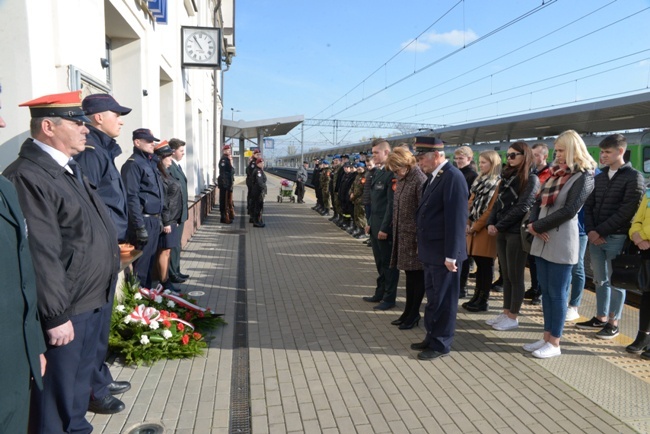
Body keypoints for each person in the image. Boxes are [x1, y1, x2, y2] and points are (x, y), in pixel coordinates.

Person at [4, 91, 119, 433]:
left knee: (77, 388)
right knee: (55, 398)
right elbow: (41, 252)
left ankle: (78, 427)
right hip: (66, 307)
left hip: (88, 297)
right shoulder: (29, 175)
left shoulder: (66, 169)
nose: (86, 130)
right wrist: (55, 315)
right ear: (49, 127)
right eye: (77, 122)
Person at [75, 93, 132, 414]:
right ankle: (93, 391)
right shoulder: (91, 154)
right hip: (98, 251)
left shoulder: (102, 151)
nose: (121, 120)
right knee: (94, 324)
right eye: (116, 114)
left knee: (103, 320)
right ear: (98, 117)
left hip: (109, 247)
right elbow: (86, 208)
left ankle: (99, 377)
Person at [523, 130, 596, 358]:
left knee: (557, 294)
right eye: (557, 150)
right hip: (542, 238)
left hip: (561, 240)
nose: (558, 155)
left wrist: (538, 226)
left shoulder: (584, 177)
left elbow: (570, 209)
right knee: (546, 291)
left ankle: (555, 342)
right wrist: (534, 224)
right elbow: (538, 202)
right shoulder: (556, 174)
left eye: (562, 150)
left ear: (574, 150)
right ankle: (546, 337)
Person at [0, 84, 46, 434]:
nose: (3, 123)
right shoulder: (18, 175)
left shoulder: (4, 187)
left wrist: (33, 346)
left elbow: (20, 271)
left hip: (14, 358)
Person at [577, 134, 644, 339]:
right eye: (602, 152)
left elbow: (627, 211)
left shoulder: (634, 177)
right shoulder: (599, 177)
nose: (603, 156)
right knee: (599, 280)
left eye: (607, 152)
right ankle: (600, 317)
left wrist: (600, 231)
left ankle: (613, 323)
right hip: (596, 237)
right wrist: (591, 230)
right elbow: (588, 206)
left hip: (615, 237)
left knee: (616, 281)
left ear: (620, 151)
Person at [410, 137, 468, 360]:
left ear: (436, 156)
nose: (419, 162)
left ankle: (441, 344)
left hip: (445, 254)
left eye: (421, 157)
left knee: (444, 301)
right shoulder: (436, 177)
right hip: (432, 252)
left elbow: (456, 220)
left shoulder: (453, 177)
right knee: (434, 299)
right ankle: (431, 337)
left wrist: (451, 255)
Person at [486, 142, 540, 331]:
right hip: (502, 231)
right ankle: (506, 311)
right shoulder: (506, 177)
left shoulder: (531, 179)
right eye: (507, 155)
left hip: (516, 232)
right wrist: (491, 223)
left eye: (513, 155)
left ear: (524, 155)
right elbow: (496, 203)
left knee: (516, 276)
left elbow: (523, 206)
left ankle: (513, 316)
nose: (509, 159)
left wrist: (498, 225)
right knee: (506, 274)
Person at [385, 146, 428, 329]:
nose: (396, 173)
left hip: (414, 237)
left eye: (397, 169)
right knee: (409, 276)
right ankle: (408, 312)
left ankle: (414, 313)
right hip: (403, 235)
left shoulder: (419, 179)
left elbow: (424, 212)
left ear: (405, 164)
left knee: (417, 277)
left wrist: (420, 240)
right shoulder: (403, 179)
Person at [121, 128, 164, 288]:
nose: (153, 144)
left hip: (153, 220)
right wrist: (139, 226)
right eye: (148, 141)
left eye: (153, 141)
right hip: (143, 221)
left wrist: (159, 218)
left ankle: (147, 298)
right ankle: (138, 302)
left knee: (150, 262)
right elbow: (131, 197)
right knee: (141, 267)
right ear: (137, 142)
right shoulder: (133, 165)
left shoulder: (148, 163)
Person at [362, 138, 400, 310]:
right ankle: (380, 292)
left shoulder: (393, 174)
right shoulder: (378, 172)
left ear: (386, 152)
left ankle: (389, 298)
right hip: (375, 225)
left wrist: (385, 228)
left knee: (388, 264)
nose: (373, 155)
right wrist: (369, 222)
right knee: (379, 262)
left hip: (385, 228)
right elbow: (375, 203)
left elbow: (392, 205)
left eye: (376, 152)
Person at [462, 150, 501, 313]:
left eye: (484, 162)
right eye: (480, 162)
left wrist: (475, 226)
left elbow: (490, 210)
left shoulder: (496, 183)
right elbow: (470, 202)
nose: (480, 165)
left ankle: (483, 300)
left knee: (486, 267)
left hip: (484, 231)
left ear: (493, 164)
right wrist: (467, 221)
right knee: (479, 265)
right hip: (474, 229)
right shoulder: (480, 180)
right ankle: (476, 297)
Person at [525, 143, 552, 305]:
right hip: (530, 220)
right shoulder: (531, 172)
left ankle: (540, 291)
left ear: (544, 157)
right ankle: (535, 287)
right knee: (532, 257)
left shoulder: (549, 174)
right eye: (532, 155)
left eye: (536, 155)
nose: (533, 158)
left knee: (540, 258)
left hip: (541, 220)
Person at [154, 141, 184, 292]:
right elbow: (164, 199)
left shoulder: (166, 172)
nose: (170, 159)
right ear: (161, 158)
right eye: (168, 157)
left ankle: (166, 279)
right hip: (167, 220)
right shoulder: (160, 175)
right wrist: (166, 221)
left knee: (168, 250)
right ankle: (164, 281)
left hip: (172, 219)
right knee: (164, 251)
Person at [627, 188, 650, 359]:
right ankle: (643, 336)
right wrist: (636, 236)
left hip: (646, 242)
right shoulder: (649, 193)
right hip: (646, 249)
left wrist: (641, 235)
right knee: (647, 296)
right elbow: (637, 219)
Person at [454, 146, 478, 299]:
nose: (457, 161)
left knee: (463, 255)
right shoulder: (459, 173)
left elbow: (469, 199)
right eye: (456, 158)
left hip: (464, 218)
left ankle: (462, 288)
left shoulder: (471, 175)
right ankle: (459, 286)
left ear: (469, 159)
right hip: (459, 216)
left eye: (461, 158)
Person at [168, 138, 190, 283]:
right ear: (173, 151)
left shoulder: (178, 166)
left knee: (177, 244)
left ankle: (176, 269)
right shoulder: (169, 168)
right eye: (181, 151)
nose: (183, 153)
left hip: (180, 213)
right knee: (173, 245)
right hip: (174, 214)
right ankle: (172, 273)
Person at [350, 162, 368, 239]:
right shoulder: (357, 176)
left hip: (361, 200)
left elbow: (361, 190)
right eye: (357, 168)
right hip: (356, 200)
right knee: (357, 215)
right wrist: (350, 192)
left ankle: (363, 232)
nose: (358, 169)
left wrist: (354, 195)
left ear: (363, 168)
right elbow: (353, 186)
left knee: (361, 216)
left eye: (360, 168)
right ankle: (359, 230)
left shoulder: (365, 176)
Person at [218, 144, 235, 223]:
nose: (229, 151)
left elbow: (232, 172)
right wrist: (226, 185)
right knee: (224, 201)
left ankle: (226, 216)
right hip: (225, 184)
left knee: (227, 201)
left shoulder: (227, 159)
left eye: (229, 150)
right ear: (224, 151)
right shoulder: (224, 160)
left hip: (227, 183)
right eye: (228, 150)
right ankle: (224, 217)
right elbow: (224, 173)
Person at [251, 157, 267, 227]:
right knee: (258, 207)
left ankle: (257, 220)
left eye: (263, 163)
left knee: (258, 206)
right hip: (258, 191)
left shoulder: (259, 170)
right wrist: (264, 188)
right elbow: (260, 182)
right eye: (261, 163)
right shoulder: (258, 171)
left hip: (257, 191)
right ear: (258, 163)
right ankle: (256, 222)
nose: (263, 164)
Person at [246, 148, 261, 221]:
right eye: (257, 154)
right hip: (252, 184)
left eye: (259, 154)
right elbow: (251, 174)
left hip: (253, 184)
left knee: (252, 198)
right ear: (254, 155)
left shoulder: (255, 162)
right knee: (252, 198)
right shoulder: (253, 163)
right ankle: (251, 213)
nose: (258, 156)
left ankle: (251, 212)